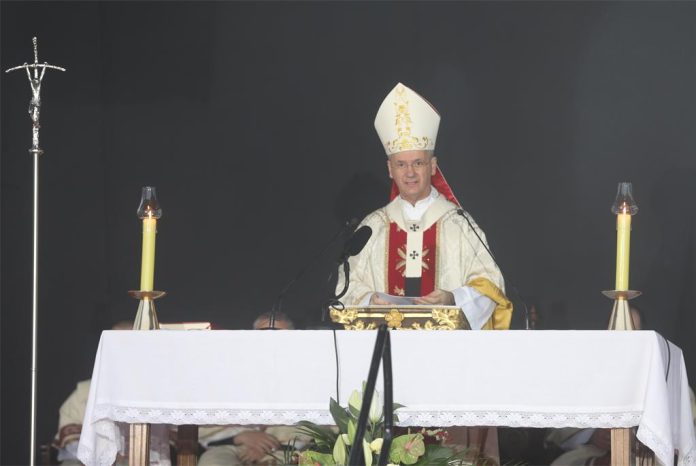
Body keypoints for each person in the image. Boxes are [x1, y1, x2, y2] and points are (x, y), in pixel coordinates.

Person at [336, 82, 512, 330]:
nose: (409, 173)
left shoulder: (459, 224)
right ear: (390, 169)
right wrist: (369, 301)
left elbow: (490, 287)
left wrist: (452, 299)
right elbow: (346, 289)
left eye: (418, 163)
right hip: (386, 345)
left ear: (432, 166)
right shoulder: (372, 227)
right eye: (401, 164)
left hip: (447, 348)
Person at [197, 312, 309, 466]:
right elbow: (205, 417)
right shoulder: (230, 372)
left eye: (279, 336)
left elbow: (317, 425)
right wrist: (241, 436)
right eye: (263, 335)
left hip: (287, 449)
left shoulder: (305, 373)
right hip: (231, 445)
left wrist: (268, 446)